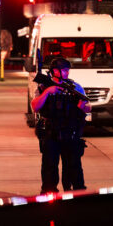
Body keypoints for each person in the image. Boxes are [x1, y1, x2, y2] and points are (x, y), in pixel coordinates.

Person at [31, 57, 91, 193]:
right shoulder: (43, 87)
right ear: (55, 71)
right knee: (49, 166)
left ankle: (76, 192)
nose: (67, 72)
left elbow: (88, 106)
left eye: (67, 70)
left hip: (70, 132)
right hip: (51, 133)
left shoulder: (75, 87)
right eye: (64, 70)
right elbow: (35, 106)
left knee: (73, 166)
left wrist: (83, 106)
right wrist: (47, 92)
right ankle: (49, 192)